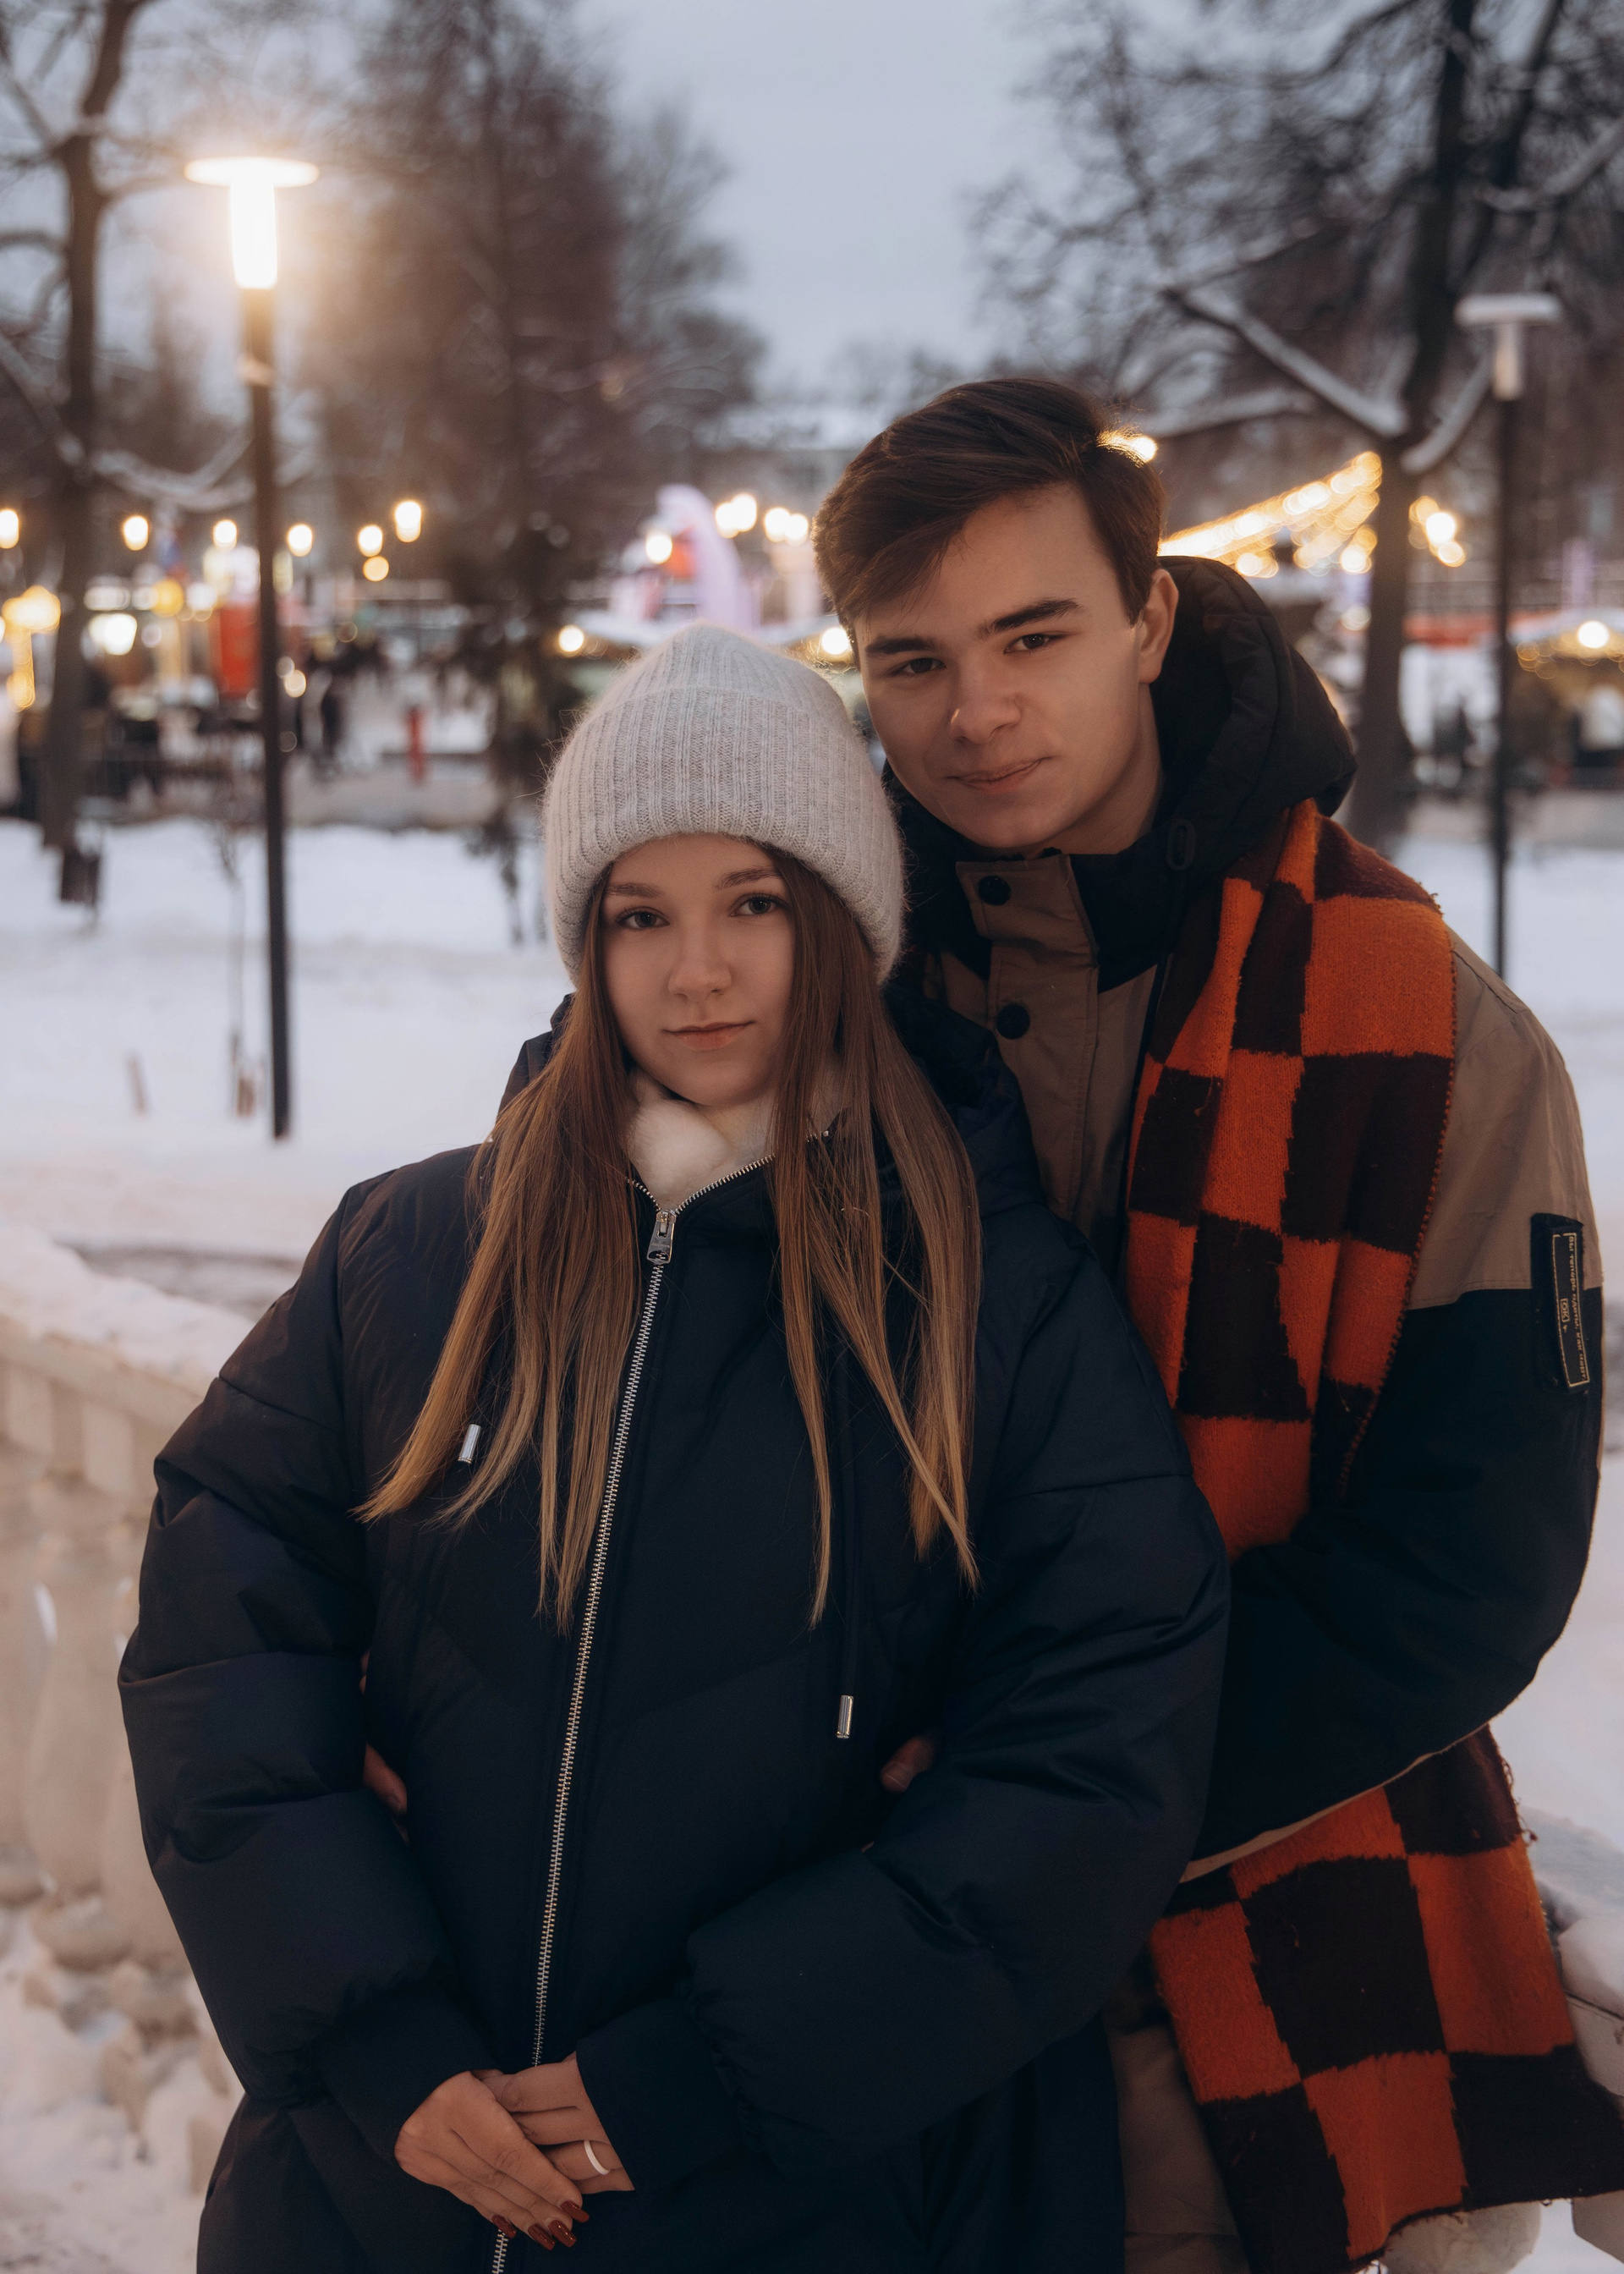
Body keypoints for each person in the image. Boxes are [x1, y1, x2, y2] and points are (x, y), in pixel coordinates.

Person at [120, 622, 1230, 2274]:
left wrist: (698, 2078)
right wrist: (373, 2041)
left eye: (752, 905)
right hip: (378, 2195)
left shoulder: (999, 1305)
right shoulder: (410, 1256)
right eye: (639, 914)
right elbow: (219, 1644)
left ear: (841, 922)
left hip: (804, 2197)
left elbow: (1090, 1764)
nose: (693, 971)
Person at [812, 378, 1624, 2274]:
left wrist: (1052, 1799)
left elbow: (1471, 1565)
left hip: (1253, 1995)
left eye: (1033, 636)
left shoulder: (1426, 1022)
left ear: (1152, 617)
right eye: (912, 659)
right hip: (840, 1970)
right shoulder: (806, 978)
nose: (976, 712)